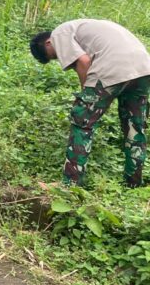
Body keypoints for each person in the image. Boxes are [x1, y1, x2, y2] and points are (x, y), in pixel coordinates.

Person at [30, 19, 150, 187]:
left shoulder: (59, 33)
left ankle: (71, 185)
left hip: (113, 66)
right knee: (135, 127)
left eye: (55, 56)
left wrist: (87, 97)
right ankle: (133, 183)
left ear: (48, 43)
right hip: (143, 68)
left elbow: (84, 61)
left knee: (81, 121)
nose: (60, 59)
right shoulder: (85, 27)